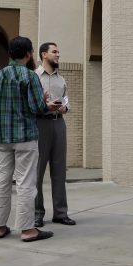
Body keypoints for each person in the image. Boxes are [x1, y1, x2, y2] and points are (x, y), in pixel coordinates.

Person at [0, 36, 59, 242]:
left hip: (2, 138)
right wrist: (47, 104)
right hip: (25, 135)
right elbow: (37, 107)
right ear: (28, 54)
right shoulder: (29, 77)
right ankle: (28, 230)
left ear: (10, 53)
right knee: (26, 182)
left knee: (2, 180)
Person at [34, 42, 75, 227]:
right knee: (37, 171)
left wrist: (65, 108)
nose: (58, 55)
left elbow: (68, 102)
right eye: (54, 52)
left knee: (59, 171)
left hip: (59, 124)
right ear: (44, 55)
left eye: (59, 51)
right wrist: (44, 106)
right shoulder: (34, 77)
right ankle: (37, 213)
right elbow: (29, 103)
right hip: (40, 124)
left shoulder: (62, 80)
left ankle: (60, 213)